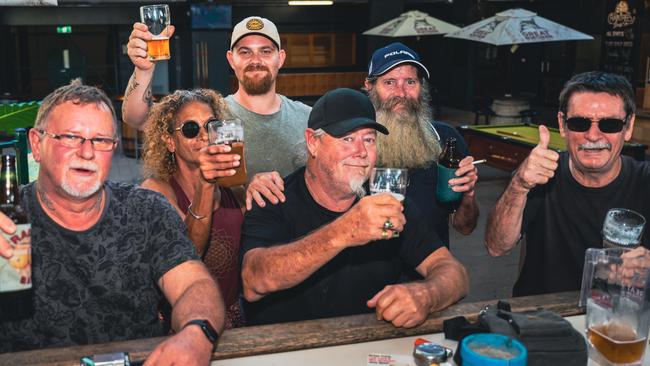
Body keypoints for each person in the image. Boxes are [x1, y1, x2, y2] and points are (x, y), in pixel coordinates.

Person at [0, 80, 225, 365]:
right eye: (71, 137)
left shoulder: (146, 210)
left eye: (101, 140)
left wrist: (196, 333)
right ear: (36, 144)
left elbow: (194, 285)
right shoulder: (9, 219)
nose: (87, 152)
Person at [240, 88, 469, 327]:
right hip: (285, 350)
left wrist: (428, 295)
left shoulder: (387, 203)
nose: (361, 152)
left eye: (368, 139)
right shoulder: (274, 195)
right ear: (313, 142)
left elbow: (455, 273)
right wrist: (344, 231)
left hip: (366, 347)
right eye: (347, 138)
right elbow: (254, 280)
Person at [485, 71, 650, 297]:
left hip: (617, 319)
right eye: (579, 123)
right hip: (543, 318)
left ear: (628, 127)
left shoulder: (645, 181)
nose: (593, 135)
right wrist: (519, 185)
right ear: (562, 125)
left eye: (610, 124)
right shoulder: (540, 175)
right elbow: (496, 246)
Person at [122, 16, 310, 199]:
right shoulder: (211, 117)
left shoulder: (308, 118)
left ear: (281, 58)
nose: (255, 60)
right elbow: (136, 118)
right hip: (231, 230)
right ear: (231, 59)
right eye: (245, 52)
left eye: (266, 51)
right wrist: (143, 70)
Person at [141, 89, 245, 328]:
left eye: (211, 126)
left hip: (234, 324)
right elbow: (189, 251)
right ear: (170, 142)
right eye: (190, 129)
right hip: (183, 327)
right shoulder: (156, 191)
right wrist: (205, 186)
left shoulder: (235, 190)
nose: (203, 136)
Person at [363, 42, 479, 248]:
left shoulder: (445, 140)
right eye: (389, 82)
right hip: (370, 275)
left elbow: (464, 227)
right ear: (370, 86)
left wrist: (468, 195)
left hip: (431, 274)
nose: (401, 93)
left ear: (421, 87)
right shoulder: (353, 145)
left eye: (410, 81)